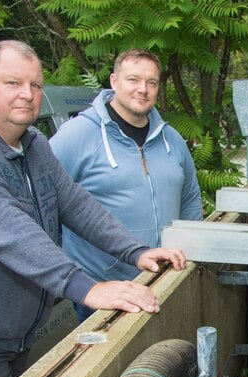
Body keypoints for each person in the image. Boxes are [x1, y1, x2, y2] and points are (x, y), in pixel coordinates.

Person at [0, 40, 186, 377]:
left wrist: (135, 251)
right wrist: (87, 287)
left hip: (18, 322)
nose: (27, 95)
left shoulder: (34, 144)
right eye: (13, 83)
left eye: (35, 85)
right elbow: (9, 231)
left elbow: (76, 205)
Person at [50, 49, 202, 322]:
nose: (142, 89)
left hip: (164, 281)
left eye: (151, 82)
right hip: (105, 293)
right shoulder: (76, 135)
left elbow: (190, 198)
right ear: (114, 81)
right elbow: (45, 200)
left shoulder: (171, 139)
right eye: (133, 79)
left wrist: (190, 251)